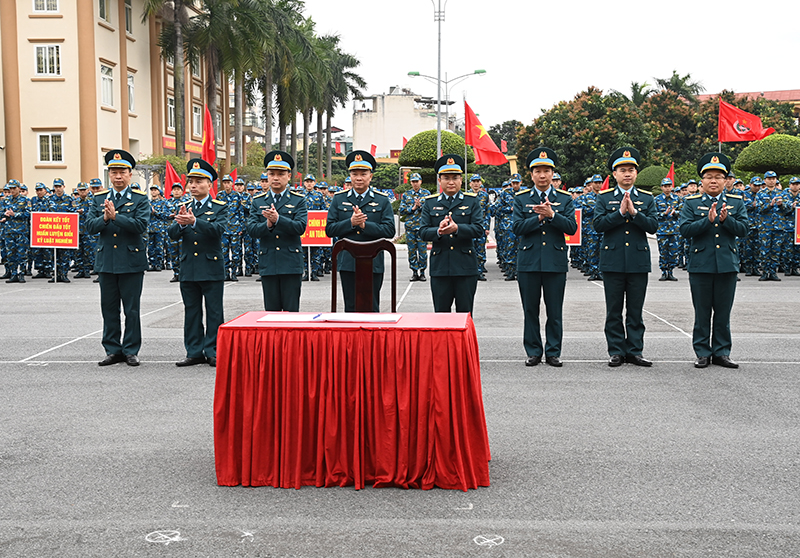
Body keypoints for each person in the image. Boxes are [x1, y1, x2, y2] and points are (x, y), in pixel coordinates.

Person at [679, 153, 748, 369]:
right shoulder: (691, 203)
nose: (713, 180)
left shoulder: (736, 202)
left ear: (725, 181)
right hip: (701, 264)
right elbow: (685, 230)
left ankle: (722, 352)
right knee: (702, 311)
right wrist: (706, 222)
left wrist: (727, 220)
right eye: (709, 176)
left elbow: (744, 230)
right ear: (702, 180)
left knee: (723, 312)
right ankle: (702, 352)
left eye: (718, 176)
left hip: (727, 264)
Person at [512, 147, 577, 366]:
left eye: (546, 171)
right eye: (538, 171)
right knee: (530, 310)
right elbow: (517, 228)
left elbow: (571, 227)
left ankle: (553, 352)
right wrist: (539, 219)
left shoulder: (565, 199)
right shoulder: (521, 199)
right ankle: (533, 351)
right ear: (531, 175)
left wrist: (552, 215)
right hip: (529, 262)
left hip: (555, 262)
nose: (542, 175)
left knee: (554, 310)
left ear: (553, 174)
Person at [593, 147, 658, 367]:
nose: (627, 174)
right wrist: (619, 213)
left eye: (631, 170)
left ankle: (635, 350)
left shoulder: (647, 199)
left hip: (638, 262)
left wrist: (635, 214)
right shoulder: (604, 198)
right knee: (613, 310)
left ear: (636, 173)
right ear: (614, 174)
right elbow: (598, 225)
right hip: (613, 261)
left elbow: (653, 226)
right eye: (622, 170)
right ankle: (616, 351)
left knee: (635, 310)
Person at [86, 150, 150, 366]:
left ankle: (131, 350)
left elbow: (140, 226)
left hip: (131, 261)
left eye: (122, 172)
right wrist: (105, 218)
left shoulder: (140, 199)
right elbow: (89, 227)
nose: (118, 176)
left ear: (130, 174)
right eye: (113, 172)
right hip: (107, 261)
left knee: (131, 309)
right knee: (109, 308)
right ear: (109, 175)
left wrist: (117, 217)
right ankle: (112, 349)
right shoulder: (99, 199)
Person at [168, 159, 229, 367]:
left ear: (209, 184)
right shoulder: (183, 206)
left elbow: (218, 231)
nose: (193, 186)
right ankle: (193, 351)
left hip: (211, 266)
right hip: (189, 267)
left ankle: (213, 350)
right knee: (191, 311)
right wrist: (182, 223)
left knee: (214, 311)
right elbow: (172, 234)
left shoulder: (219, 207)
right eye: (191, 182)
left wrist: (195, 222)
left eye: (199, 181)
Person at [325, 150, 395, 312]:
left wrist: (365, 226)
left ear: (370, 176)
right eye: (354, 173)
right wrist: (350, 223)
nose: (358, 178)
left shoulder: (382, 200)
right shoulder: (339, 198)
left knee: (372, 306)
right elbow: (330, 229)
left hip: (373, 261)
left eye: (363, 174)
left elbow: (389, 230)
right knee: (350, 307)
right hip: (347, 261)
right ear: (349, 175)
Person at [418, 154, 484, 313]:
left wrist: (457, 229)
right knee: (441, 315)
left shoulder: (472, 201)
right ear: (439, 180)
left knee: (465, 314)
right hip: (440, 267)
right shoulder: (430, 203)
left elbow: (479, 229)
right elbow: (423, 232)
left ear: (461, 180)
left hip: (465, 267)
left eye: (455, 177)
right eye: (446, 178)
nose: (451, 182)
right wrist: (438, 231)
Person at [246, 151, 307, 311]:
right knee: (271, 314)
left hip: (291, 263)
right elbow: (252, 229)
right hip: (269, 262)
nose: (275, 178)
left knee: (291, 313)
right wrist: (268, 224)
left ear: (288, 176)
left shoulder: (298, 200)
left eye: (281, 174)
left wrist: (279, 219)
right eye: (271, 173)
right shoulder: (258, 201)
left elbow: (300, 227)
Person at [398, 172, 430, 281]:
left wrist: (420, 206)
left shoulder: (426, 193)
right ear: (411, 182)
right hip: (410, 228)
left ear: (421, 181)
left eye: (417, 181)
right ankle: (414, 271)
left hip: (421, 227)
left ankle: (422, 272)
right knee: (411, 251)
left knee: (422, 251)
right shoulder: (406, 195)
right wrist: (412, 208)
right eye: (413, 181)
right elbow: (401, 210)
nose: (415, 183)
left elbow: (429, 210)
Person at [2, 180, 30, 283]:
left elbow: (28, 213)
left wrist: (16, 214)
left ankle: (21, 273)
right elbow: (1, 213)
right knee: (10, 254)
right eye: (11, 188)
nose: (12, 190)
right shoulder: (6, 200)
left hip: (21, 231)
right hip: (9, 231)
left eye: (14, 188)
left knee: (21, 254)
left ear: (19, 188)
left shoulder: (26, 200)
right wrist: (5, 214)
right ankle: (13, 274)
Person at [653, 177, 681, 281]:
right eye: (665, 186)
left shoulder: (677, 199)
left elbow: (682, 211)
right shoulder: (657, 199)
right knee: (663, 252)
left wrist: (675, 213)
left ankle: (671, 271)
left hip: (674, 230)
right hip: (662, 231)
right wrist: (663, 214)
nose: (667, 188)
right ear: (661, 187)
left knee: (674, 253)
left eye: (669, 186)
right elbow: (653, 214)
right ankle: (664, 272)